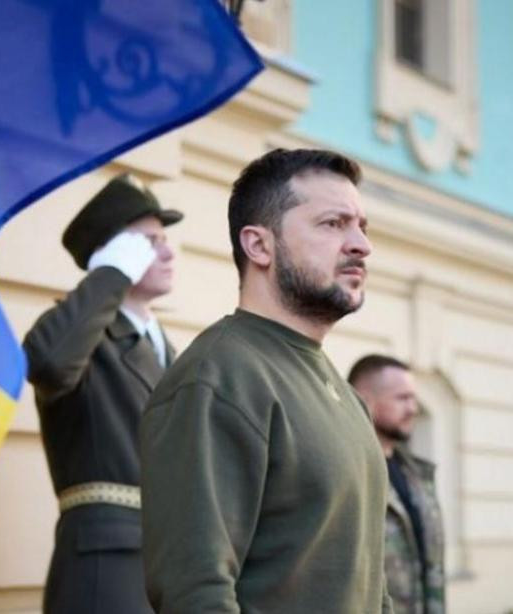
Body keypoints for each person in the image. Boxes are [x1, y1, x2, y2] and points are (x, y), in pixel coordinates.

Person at [139, 148, 392, 613]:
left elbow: (370, 585)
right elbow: (196, 593)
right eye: (333, 224)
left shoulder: (345, 395)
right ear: (259, 246)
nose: (360, 244)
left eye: (361, 226)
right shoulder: (216, 378)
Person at [23, 173, 181, 614]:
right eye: (149, 241)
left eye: (164, 238)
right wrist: (109, 276)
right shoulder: (85, 340)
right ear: (116, 254)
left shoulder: (172, 350)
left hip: (173, 562)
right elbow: (48, 362)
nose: (168, 252)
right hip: (108, 565)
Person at [349, 354, 446, 614]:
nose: (413, 408)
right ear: (365, 401)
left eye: (413, 398)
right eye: (402, 398)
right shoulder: (346, 474)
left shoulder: (418, 475)